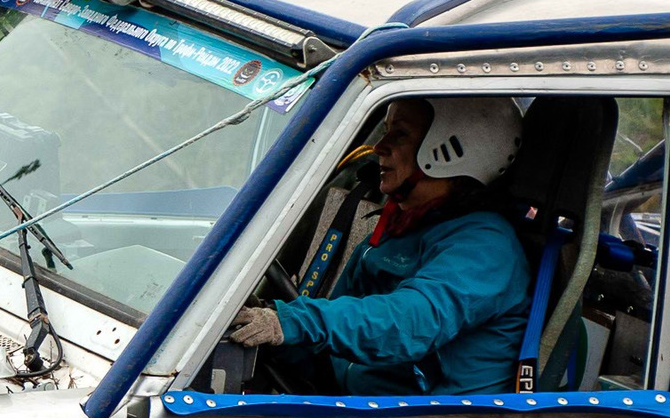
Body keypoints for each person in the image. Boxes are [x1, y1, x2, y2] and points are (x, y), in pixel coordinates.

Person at [227, 97, 532, 395]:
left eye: (398, 134)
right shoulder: (404, 228)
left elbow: (407, 324)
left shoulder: (486, 248)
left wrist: (295, 321)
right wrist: (272, 331)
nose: (378, 147)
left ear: (452, 149)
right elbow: (336, 343)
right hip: (366, 410)